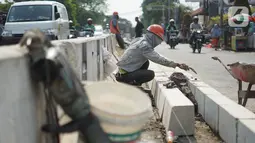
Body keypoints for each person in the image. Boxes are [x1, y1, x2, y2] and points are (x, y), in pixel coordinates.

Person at [115, 24, 190, 86]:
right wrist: (176, 64)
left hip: (123, 71)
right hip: (124, 75)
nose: (159, 42)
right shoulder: (145, 45)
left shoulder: (140, 40)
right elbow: (158, 58)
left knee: (146, 62)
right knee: (150, 74)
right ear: (153, 36)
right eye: (159, 39)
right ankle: (130, 84)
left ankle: (133, 82)